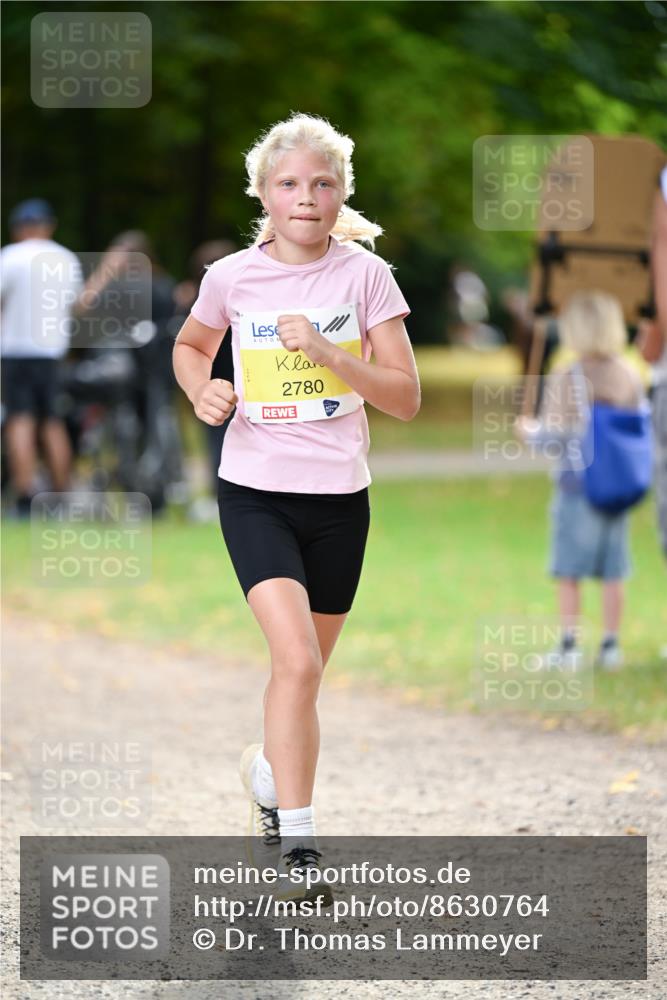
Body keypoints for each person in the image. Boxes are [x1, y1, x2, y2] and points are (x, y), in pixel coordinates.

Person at [173, 113, 420, 896]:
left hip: (340, 500)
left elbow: (407, 398)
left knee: (304, 681)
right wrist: (200, 386)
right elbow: (187, 346)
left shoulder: (364, 278)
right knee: (297, 661)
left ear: (341, 191)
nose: (305, 197)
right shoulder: (232, 277)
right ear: (262, 194)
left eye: (321, 183)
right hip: (255, 492)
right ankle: (300, 848)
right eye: (288, 184)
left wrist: (326, 353)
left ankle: (269, 778)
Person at [516, 291, 645, 672]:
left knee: (568, 569)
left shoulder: (569, 375)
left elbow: (559, 436)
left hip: (577, 486)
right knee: (613, 568)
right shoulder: (628, 374)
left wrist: (529, 432)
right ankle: (610, 645)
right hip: (618, 487)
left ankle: (570, 645)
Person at [1, 199, 82, 515]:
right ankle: (61, 496)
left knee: (20, 420)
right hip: (51, 351)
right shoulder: (65, 259)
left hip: (16, 350)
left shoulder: (10, 257)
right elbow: (74, 306)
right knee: (52, 421)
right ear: (49, 226)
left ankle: (24, 496)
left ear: (19, 228)